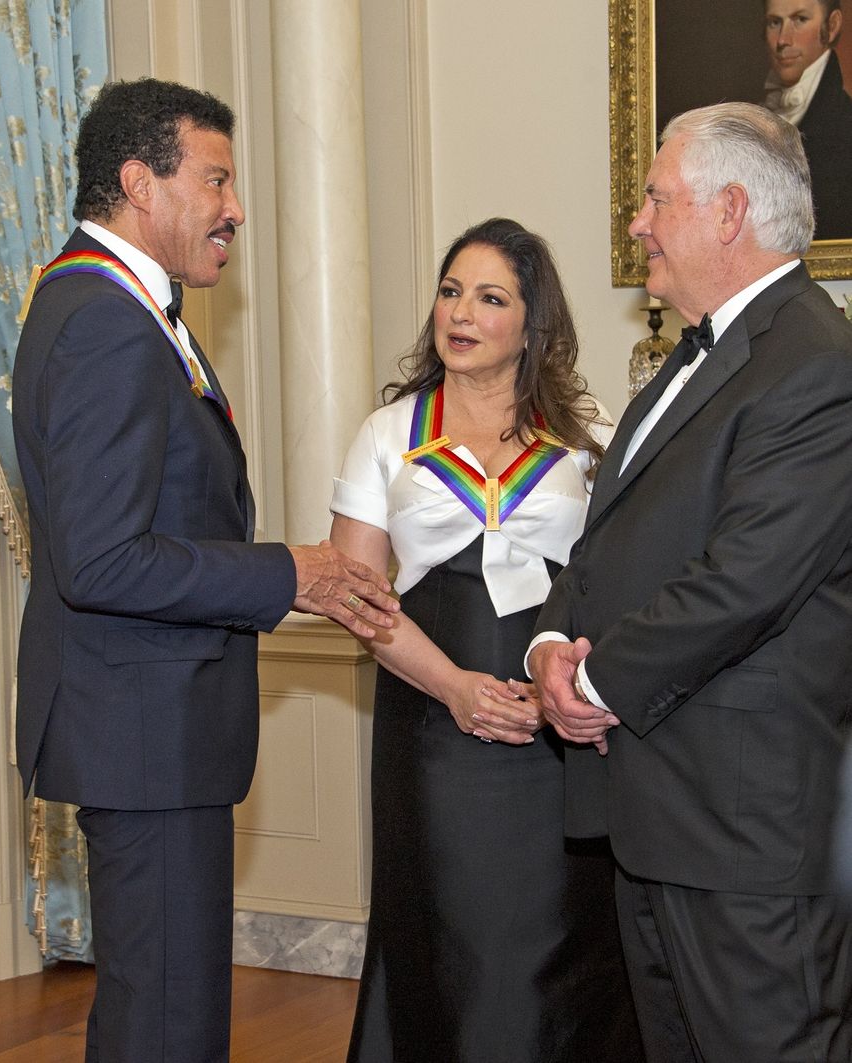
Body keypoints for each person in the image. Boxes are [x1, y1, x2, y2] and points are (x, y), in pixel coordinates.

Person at [11, 77, 397, 1063]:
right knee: (168, 1026)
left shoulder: (120, 306)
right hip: (145, 729)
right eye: (216, 179)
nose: (233, 208)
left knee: (157, 1015)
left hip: (147, 725)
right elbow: (102, 558)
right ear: (141, 182)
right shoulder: (106, 319)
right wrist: (288, 575)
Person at [528, 102, 852, 1062]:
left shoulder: (815, 366)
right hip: (658, 814)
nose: (635, 222)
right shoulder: (688, 357)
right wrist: (550, 642)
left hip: (741, 827)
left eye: (654, 198)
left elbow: (745, 579)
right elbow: (607, 539)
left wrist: (592, 685)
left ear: (728, 213)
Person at [330, 218, 643, 1063]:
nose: (460, 313)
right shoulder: (386, 433)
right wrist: (455, 689)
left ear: (530, 323)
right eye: (449, 290)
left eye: (490, 297)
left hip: (559, 734)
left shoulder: (590, 434)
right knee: (447, 936)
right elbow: (358, 599)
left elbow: (619, 580)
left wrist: (564, 689)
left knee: (556, 937)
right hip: (432, 735)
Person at [763, 0, 852, 238]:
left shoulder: (845, 124)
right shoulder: (763, 111)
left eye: (800, 20)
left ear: (831, 26)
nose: (783, 40)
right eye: (774, 23)